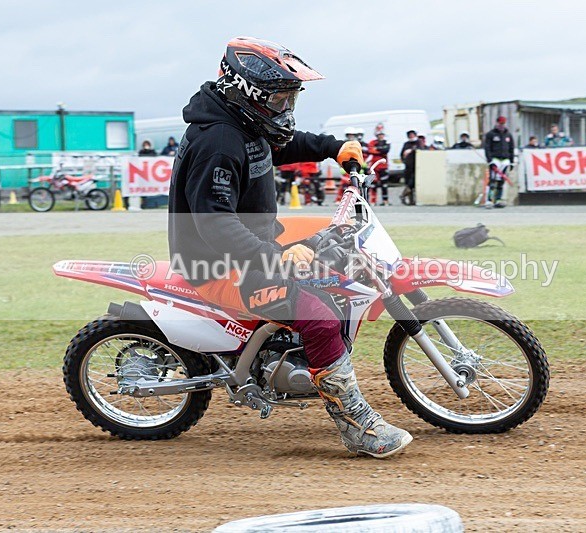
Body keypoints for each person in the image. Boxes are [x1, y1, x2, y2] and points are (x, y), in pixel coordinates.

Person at [168, 36, 411, 458]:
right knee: (316, 316)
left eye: (289, 98)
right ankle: (355, 425)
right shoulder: (217, 142)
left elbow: (281, 146)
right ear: (250, 93)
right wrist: (275, 257)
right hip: (219, 264)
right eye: (280, 99)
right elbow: (214, 223)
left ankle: (312, 358)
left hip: (252, 244)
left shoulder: (243, 124)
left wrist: (333, 148)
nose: (286, 108)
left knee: (337, 248)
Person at [483, 116, 515, 207]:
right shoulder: (490, 134)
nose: (502, 126)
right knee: (492, 180)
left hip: (505, 160)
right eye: (500, 124)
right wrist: (490, 160)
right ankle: (489, 200)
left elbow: (511, 148)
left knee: (501, 181)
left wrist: (512, 161)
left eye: (503, 124)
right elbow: (487, 148)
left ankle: (498, 199)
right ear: (496, 123)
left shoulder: (508, 135)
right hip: (495, 159)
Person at [366, 129, 390, 205]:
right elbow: (370, 150)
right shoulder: (372, 142)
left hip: (384, 166)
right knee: (373, 184)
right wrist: (380, 150)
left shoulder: (387, 142)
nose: (381, 136)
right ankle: (373, 201)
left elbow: (386, 150)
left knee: (384, 185)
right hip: (374, 166)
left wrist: (377, 149)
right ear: (377, 135)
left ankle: (385, 201)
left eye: (382, 134)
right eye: (379, 134)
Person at [399, 130, 419, 205]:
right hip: (408, 167)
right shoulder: (406, 144)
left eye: (412, 135)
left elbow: (421, 149)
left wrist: (411, 150)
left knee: (412, 183)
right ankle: (411, 201)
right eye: (410, 135)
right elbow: (401, 154)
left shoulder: (418, 143)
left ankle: (403, 195)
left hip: (416, 167)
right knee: (408, 183)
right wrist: (404, 160)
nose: (411, 136)